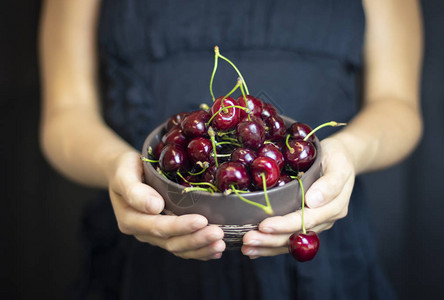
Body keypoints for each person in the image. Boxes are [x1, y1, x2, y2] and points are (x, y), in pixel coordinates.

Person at [39, 0, 423, 299]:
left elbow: (397, 105)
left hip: (323, 256)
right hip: (146, 247)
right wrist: (115, 165)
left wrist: (348, 152)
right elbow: (65, 113)